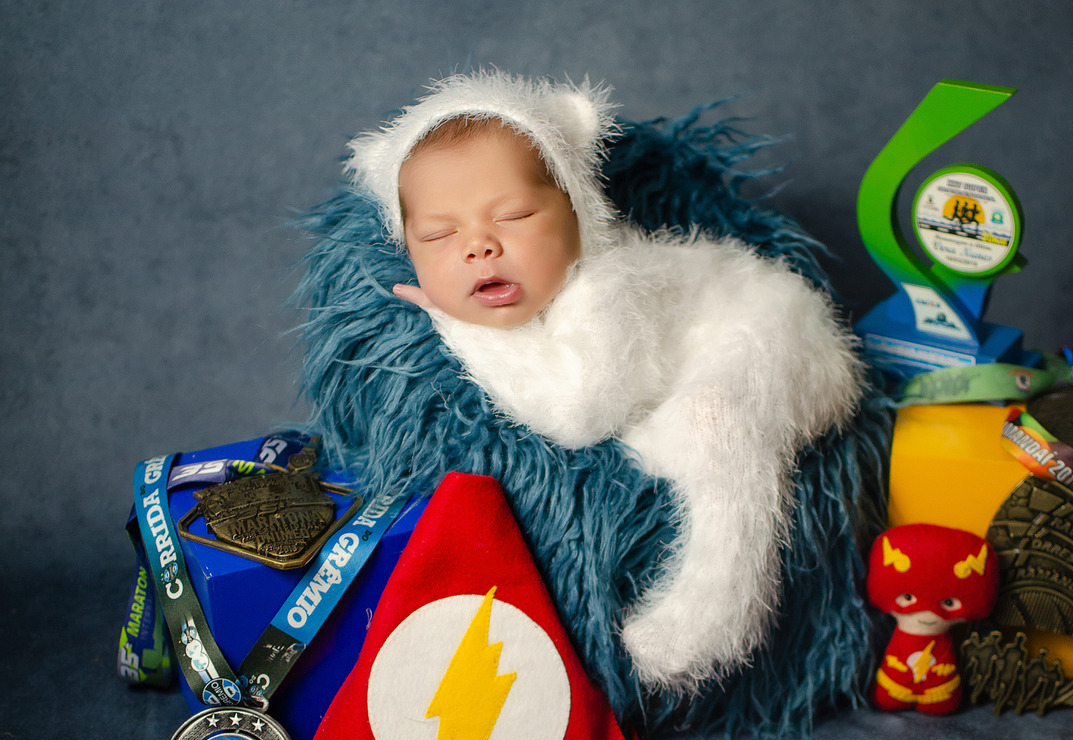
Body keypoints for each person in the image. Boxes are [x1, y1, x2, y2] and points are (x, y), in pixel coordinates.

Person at [345, 71, 867, 690]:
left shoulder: (606, 286)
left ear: (578, 213)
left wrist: (461, 325)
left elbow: (575, 412)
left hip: (781, 331)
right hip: (695, 364)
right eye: (439, 234)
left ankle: (720, 609)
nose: (479, 246)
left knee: (715, 422)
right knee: (674, 436)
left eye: (512, 215)